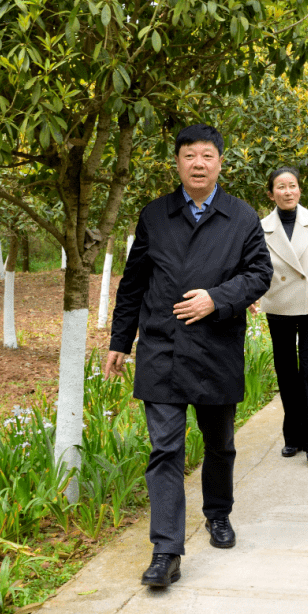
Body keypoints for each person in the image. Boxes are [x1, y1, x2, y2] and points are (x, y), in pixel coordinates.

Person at [104, 123, 273, 589]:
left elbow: (260, 273)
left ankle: (218, 514)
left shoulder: (240, 217)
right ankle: (166, 550)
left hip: (216, 348)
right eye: (189, 156)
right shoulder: (155, 215)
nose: (198, 164)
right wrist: (121, 341)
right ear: (177, 163)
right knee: (165, 450)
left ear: (220, 162)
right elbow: (134, 281)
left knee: (220, 443)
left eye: (207, 156)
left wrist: (217, 298)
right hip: (162, 348)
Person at [253, 166, 308, 462]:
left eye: (292, 186)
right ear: (271, 193)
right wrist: (251, 297)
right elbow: (255, 268)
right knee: (286, 373)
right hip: (278, 305)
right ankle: (292, 437)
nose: (287, 191)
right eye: (281, 187)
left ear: (299, 190)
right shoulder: (262, 226)